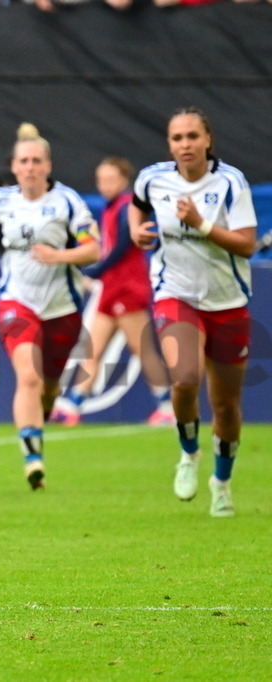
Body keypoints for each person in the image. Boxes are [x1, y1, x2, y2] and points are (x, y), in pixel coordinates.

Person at [0, 123, 100, 491]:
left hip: (62, 308)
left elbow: (93, 248)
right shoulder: (1, 200)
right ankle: (33, 460)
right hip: (16, 301)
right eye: (23, 161)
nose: (30, 167)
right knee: (28, 377)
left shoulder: (67, 202)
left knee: (48, 387)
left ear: (48, 165)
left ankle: (41, 416)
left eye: (37, 161)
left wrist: (60, 255)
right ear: (14, 167)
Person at [129, 106, 257, 518]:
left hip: (227, 301)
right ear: (170, 144)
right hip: (175, 292)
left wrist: (201, 223)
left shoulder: (231, 183)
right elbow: (137, 204)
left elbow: (246, 244)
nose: (185, 145)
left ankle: (221, 482)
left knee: (225, 405)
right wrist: (136, 229)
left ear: (208, 140)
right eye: (177, 138)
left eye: (192, 137)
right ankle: (188, 453)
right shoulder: (153, 178)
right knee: (184, 378)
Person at [51, 157, 174, 427]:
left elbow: (120, 248)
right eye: (101, 180)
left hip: (129, 289)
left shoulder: (128, 206)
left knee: (143, 350)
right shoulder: (108, 209)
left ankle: (167, 408)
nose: (104, 185)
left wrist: (92, 273)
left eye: (110, 180)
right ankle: (73, 406)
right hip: (111, 289)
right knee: (92, 349)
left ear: (123, 180)